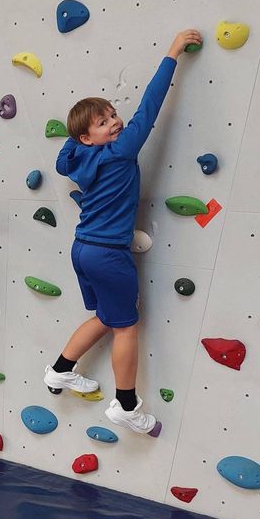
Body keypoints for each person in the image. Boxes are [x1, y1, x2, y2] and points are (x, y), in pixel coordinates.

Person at [47, 29, 202, 433]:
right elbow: (149, 106)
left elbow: (63, 159)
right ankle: (126, 405)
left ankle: (60, 370)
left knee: (105, 316)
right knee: (126, 327)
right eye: (103, 122)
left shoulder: (78, 157)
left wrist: (83, 135)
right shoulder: (120, 151)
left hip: (82, 249)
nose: (116, 122)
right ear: (87, 137)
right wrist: (171, 54)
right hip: (108, 254)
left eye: (113, 115)